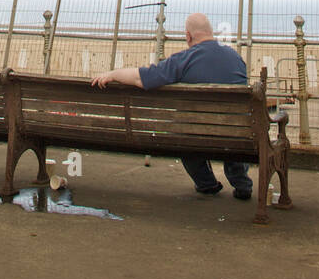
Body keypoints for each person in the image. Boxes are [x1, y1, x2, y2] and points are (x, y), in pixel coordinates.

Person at [91, 12, 253, 199]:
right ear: (211, 33)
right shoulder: (235, 58)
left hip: (195, 135)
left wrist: (112, 74)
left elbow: (141, 78)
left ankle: (206, 183)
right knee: (229, 127)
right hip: (237, 134)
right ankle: (242, 184)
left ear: (188, 36)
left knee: (185, 131)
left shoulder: (183, 60)